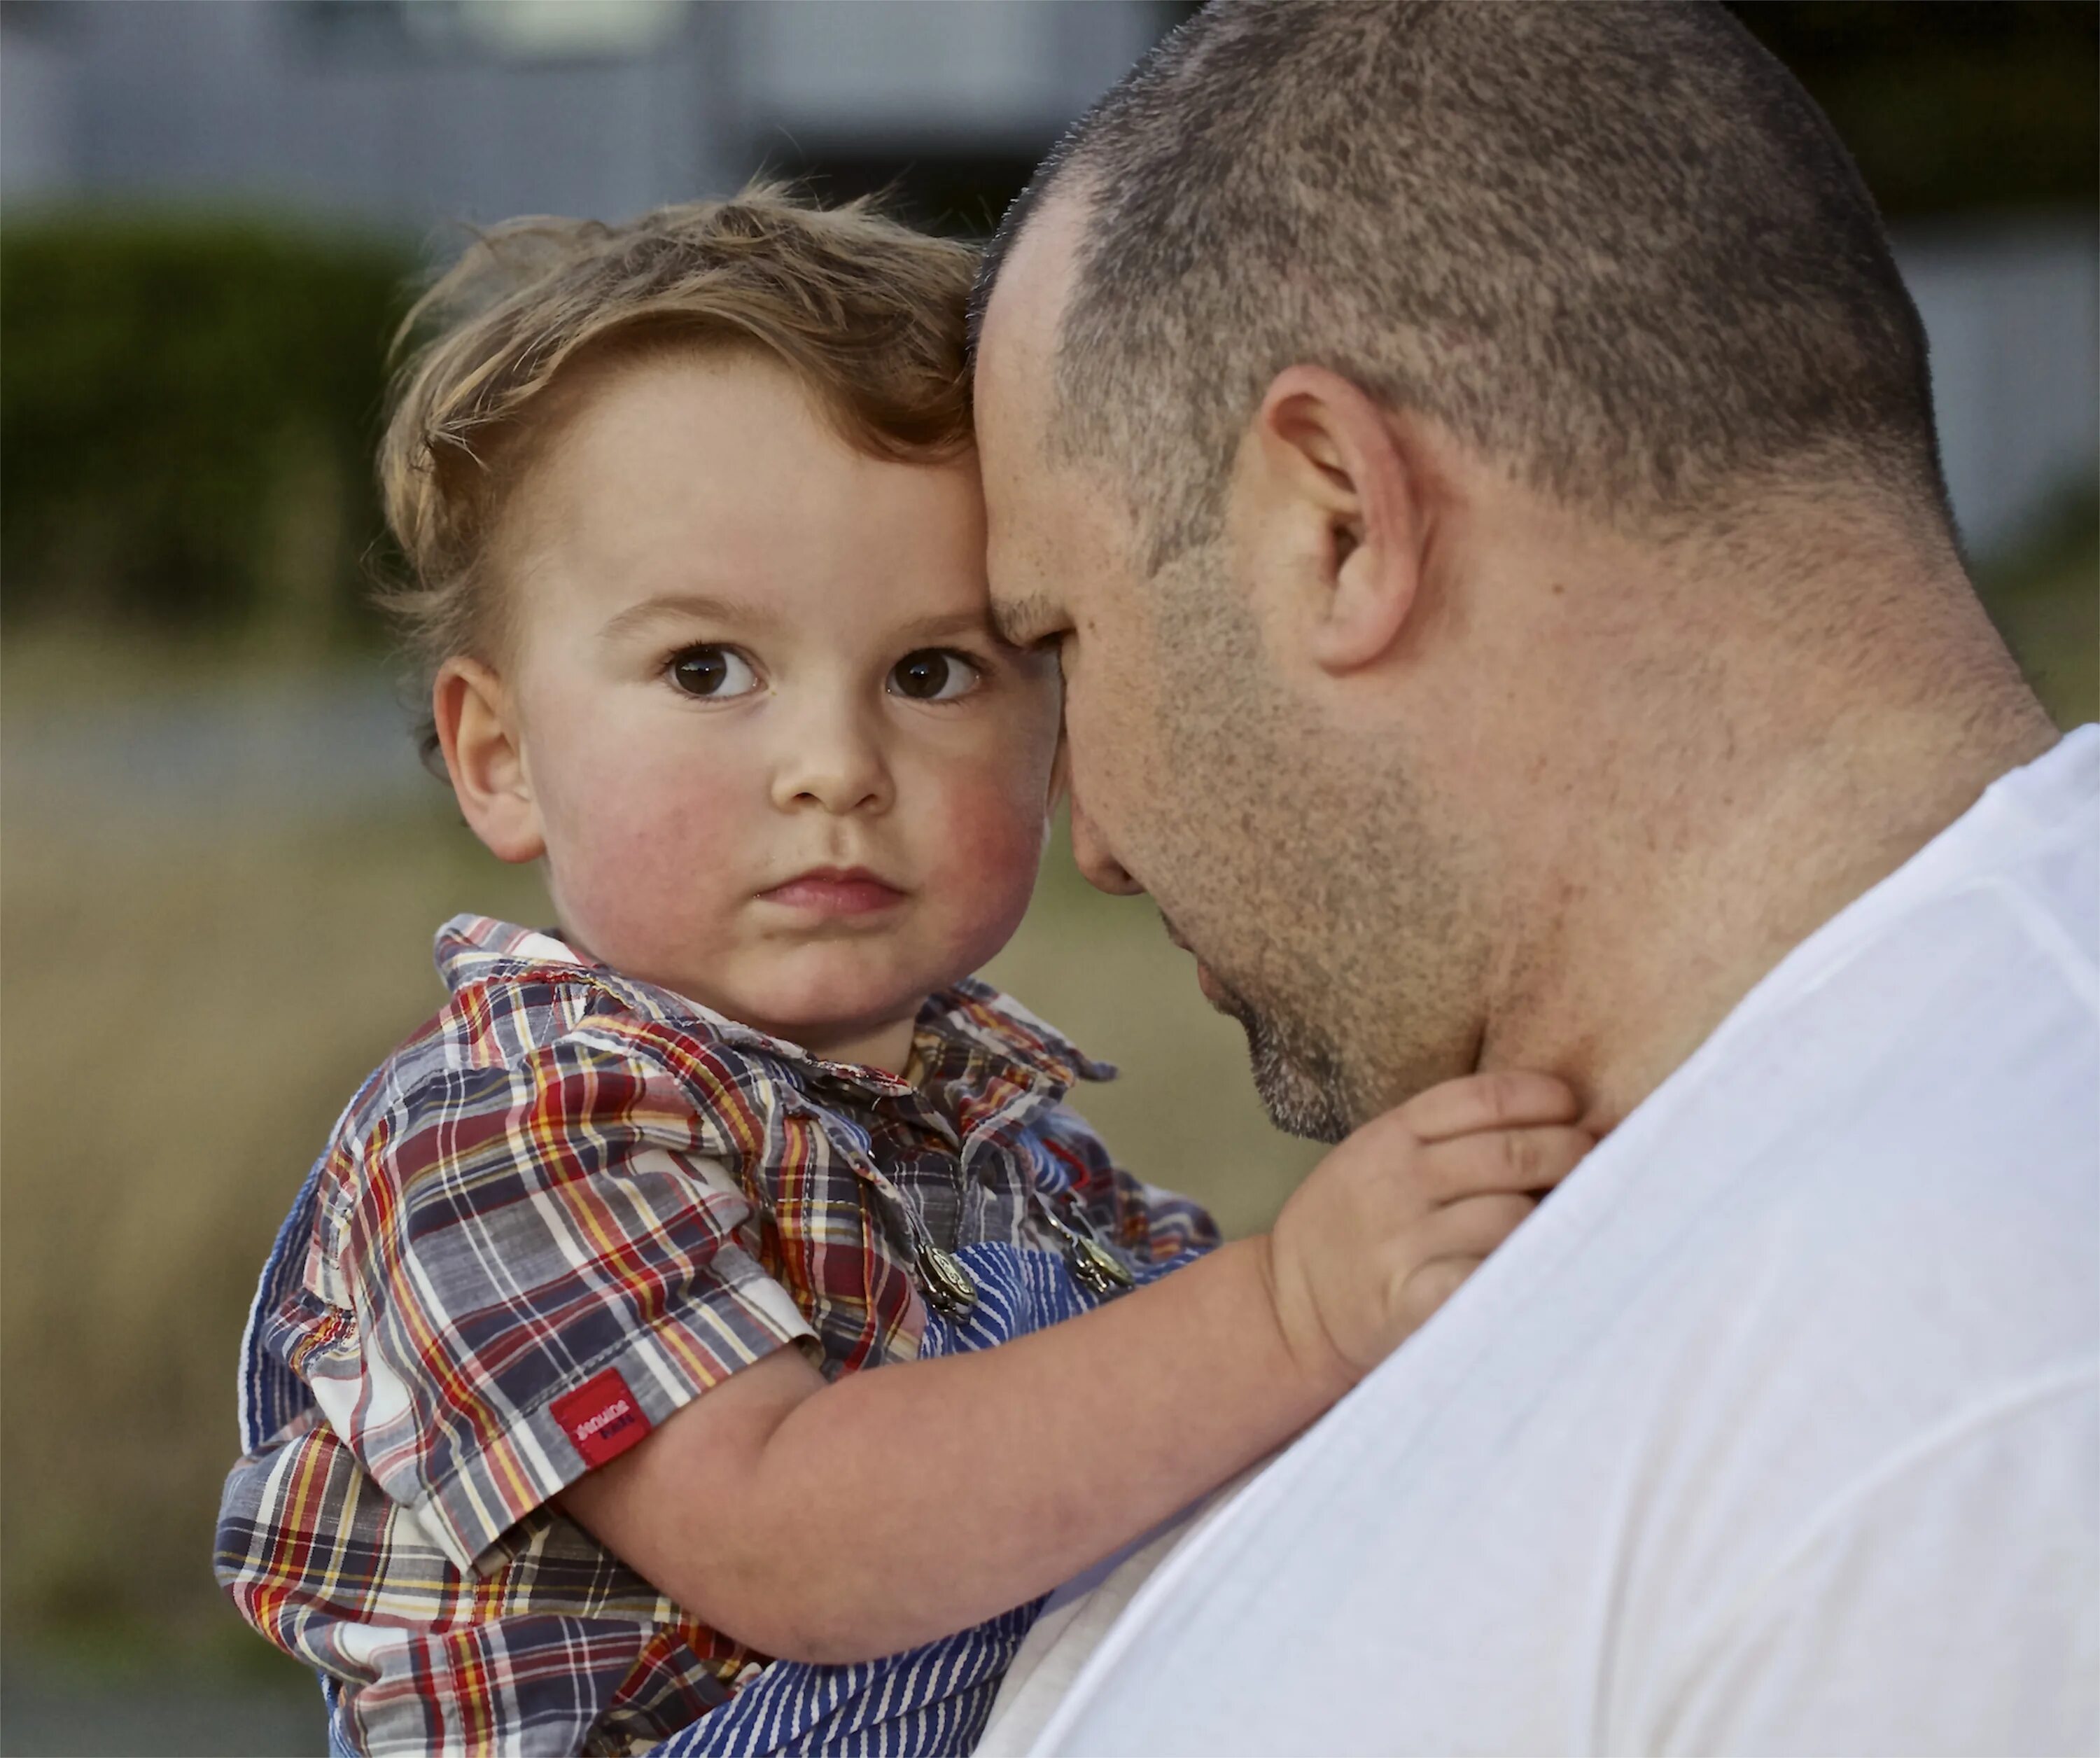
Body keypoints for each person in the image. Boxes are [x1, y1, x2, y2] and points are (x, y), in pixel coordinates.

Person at [211, 188, 1592, 1757]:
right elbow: (788, 1537)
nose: (835, 765)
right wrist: (1292, 1304)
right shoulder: (507, 1127)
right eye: (707, 669)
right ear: (501, 754)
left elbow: (1212, 1454)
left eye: (933, 671)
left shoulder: (1027, 1156)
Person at [967, 1, 2099, 1752]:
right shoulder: (1830, 1222)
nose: (1092, 837)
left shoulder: (1958, 1376)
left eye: (1063, 638)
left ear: (1336, 515)